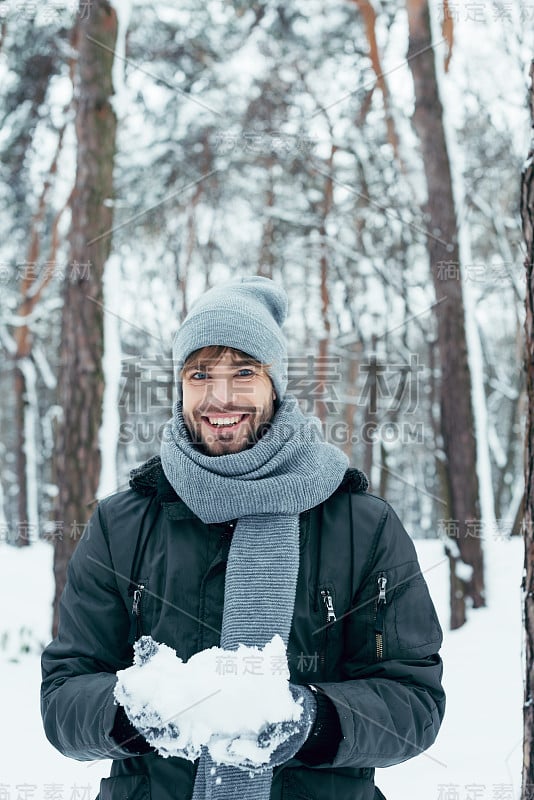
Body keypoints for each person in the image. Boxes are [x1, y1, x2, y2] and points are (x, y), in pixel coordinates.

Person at [41, 275, 445, 800]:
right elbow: (64, 693)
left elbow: (413, 700)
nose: (219, 397)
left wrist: (312, 722)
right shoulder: (122, 524)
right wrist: (132, 714)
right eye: (200, 373)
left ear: (275, 384)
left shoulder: (361, 525)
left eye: (244, 371)